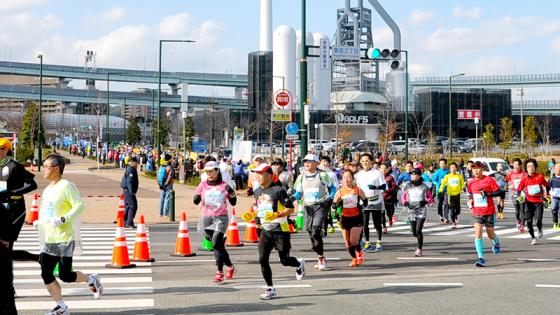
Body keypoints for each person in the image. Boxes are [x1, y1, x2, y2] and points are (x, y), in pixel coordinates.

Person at [36, 154, 103, 315]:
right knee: (46, 273)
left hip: (64, 238)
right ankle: (61, 306)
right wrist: (40, 221)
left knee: (65, 275)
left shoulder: (66, 186)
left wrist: (63, 218)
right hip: (49, 238)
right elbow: (46, 210)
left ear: (56, 168)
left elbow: (79, 205)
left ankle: (92, 280)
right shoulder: (48, 189)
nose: (43, 170)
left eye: (46, 166)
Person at [242, 164, 305, 300]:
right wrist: (253, 216)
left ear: (269, 176)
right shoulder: (257, 191)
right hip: (265, 230)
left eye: (261, 174)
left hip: (280, 230)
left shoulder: (279, 190)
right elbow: (260, 208)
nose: (257, 176)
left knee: (284, 260)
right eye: (256, 174)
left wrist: (277, 215)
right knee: (262, 259)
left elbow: (290, 209)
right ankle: (270, 288)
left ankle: (299, 264)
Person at [194, 161, 237, 284]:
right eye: (207, 172)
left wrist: (233, 195)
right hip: (206, 217)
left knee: (216, 242)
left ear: (217, 171)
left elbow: (233, 201)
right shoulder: (202, 185)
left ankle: (219, 272)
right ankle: (230, 265)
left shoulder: (225, 186)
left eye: (211, 171)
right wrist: (196, 198)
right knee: (217, 245)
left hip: (221, 217)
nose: (209, 174)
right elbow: (196, 199)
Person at [293, 154, 336, 270]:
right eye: (305, 161)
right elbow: (298, 193)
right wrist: (292, 199)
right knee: (310, 230)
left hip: (320, 206)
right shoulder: (301, 177)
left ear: (316, 163)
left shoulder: (322, 175)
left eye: (310, 161)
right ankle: (319, 253)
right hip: (308, 207)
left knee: (316, 229)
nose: (307, 164)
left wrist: (329, 199)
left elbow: (333, 189)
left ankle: (321, 258)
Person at [467, 161, 502, 267]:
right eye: (474, 168)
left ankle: (496, 241)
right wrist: (470, 201)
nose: (476, 170)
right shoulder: (470, 182)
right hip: (477, 211)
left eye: (478, 168)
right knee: (478, 232)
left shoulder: (489, 180)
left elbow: (499, 192)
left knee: (490, 234)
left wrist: (488, 194)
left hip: (489, 211)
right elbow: (471, 194)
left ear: (482, 169)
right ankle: (480, 257)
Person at [331, 169, 367, 266]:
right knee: (347, 242)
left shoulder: (358, 190)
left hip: (356, 217)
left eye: (349, 177)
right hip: (345, 218)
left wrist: (360, 205)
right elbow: (333, 205)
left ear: (352, 178)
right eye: (344, 177)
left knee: (354, 240)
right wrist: (337, 206)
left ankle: (359, 252)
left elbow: (365, 202)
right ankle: (354, 258)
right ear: (342, 179)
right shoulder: (340, 191)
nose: (347, 179)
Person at [355, 153, 387, 252]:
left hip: (375, 200)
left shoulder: (377, 173)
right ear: (360, 162)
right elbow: (357, 188)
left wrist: (375, 187)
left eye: (367, 160)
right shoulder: (358, 175)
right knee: (364, 223)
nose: (365, 163)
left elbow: (384, 187)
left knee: (377, 223)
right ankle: (367, 243)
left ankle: (379, 241)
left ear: (371, 162)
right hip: (364, 201)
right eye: (363, 161)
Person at [401, 168, 434, 257]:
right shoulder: (407, 186)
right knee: (414, 232)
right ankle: (419, 238)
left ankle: (419, 249)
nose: (412, 176)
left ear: (419, 176)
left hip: (421, 209)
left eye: (414, 174)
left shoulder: (424, 186)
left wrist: (425, 201)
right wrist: (405, 202)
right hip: (411, 209)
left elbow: (430, 197)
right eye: (411, 174)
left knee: (418, 230)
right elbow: (403, 197)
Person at [516, 158, 549, 245]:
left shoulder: (540, 177)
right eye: (528, 166)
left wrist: (547, 195)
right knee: (529, 222)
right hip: (528, 202)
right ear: (526, 168)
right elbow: (519, 189)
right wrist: (519, 197)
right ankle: (533, 238)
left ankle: (540, 228)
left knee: (538, 220)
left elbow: (547, 186)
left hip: (538, 202)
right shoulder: (524, 179)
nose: (530, 168)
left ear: (535, 167)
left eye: (532, 166)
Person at [439, 162, 465, 229]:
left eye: (454, 167)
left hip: (457, 194)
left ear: (456, 168)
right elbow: (443, 183)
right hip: (450, 195)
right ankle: (454, 223)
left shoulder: (459, 176)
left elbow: (462, 183)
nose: (453, 169)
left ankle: (456, 215)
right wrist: (440, 190)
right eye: (451, 167)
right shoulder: (447, 176)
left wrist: (463, 187)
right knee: (452, 209)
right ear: (450, 169)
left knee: (458, 210)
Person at [320, 156, 340, 234]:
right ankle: (325, 228)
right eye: (322, 161)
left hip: (330, 196)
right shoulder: (318, 173)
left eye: (325, 161)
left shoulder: (332, 174)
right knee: (324, 213)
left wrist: (333, 197)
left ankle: (327, 227)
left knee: (327, 213)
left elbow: (336, 186)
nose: (323, 163)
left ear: (329, 163)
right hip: (321, 196)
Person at [506, 158, 527, 232]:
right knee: (517, 211)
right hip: (514, 194)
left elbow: (527, 182)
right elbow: (506, 182)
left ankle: (522, 225)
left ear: (520, 165)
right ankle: (518, 220)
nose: (516, 166)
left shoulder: (524, 173)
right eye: (514, 164)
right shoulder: (510, 173)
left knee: (523, 209)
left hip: (522, 194)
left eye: (517, 164)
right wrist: (509, 186)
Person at [121, 156, 139, 228]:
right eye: (137, 163)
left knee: (128, 206)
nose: (137, 164)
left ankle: (127, 221)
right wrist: (132, 191)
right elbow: (129, 181)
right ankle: (128, 222)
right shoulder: (131, 170)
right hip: (128, 190)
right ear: (133, 162)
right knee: (133, 206)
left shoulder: (132, 169)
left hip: (127, 190)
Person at [380, 162, 398, 230]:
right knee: (382, 213)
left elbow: (393, 187)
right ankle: (384, 227)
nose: (383, 170)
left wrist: (387, 190)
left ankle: (390, 218)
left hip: (389, 198)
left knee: (389, 212)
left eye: (384, 168)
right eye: (381, 168)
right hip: (380, 198)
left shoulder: (390, 177)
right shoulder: (378, 177)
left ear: (387, 169)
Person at [432, 158, 450, 223]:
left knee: (446, 203)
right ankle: (440, 215)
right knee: (440, 203)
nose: (442, 165)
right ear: (439, 164)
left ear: (446, 164)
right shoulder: (438, 172)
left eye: (443, 163)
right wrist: (438, 184)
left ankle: (446, 217)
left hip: (447, 190)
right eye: (441, 163)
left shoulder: (448, 171)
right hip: (439, 190)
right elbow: (433, 180)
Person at [549, 163, 560, 232]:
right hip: (555, 197)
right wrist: (549, 194)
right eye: (556, 169)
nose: (557, 170)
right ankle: (555, 221)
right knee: (553, 209)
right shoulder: (552, 178)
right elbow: (548, 187)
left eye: (558, 169)